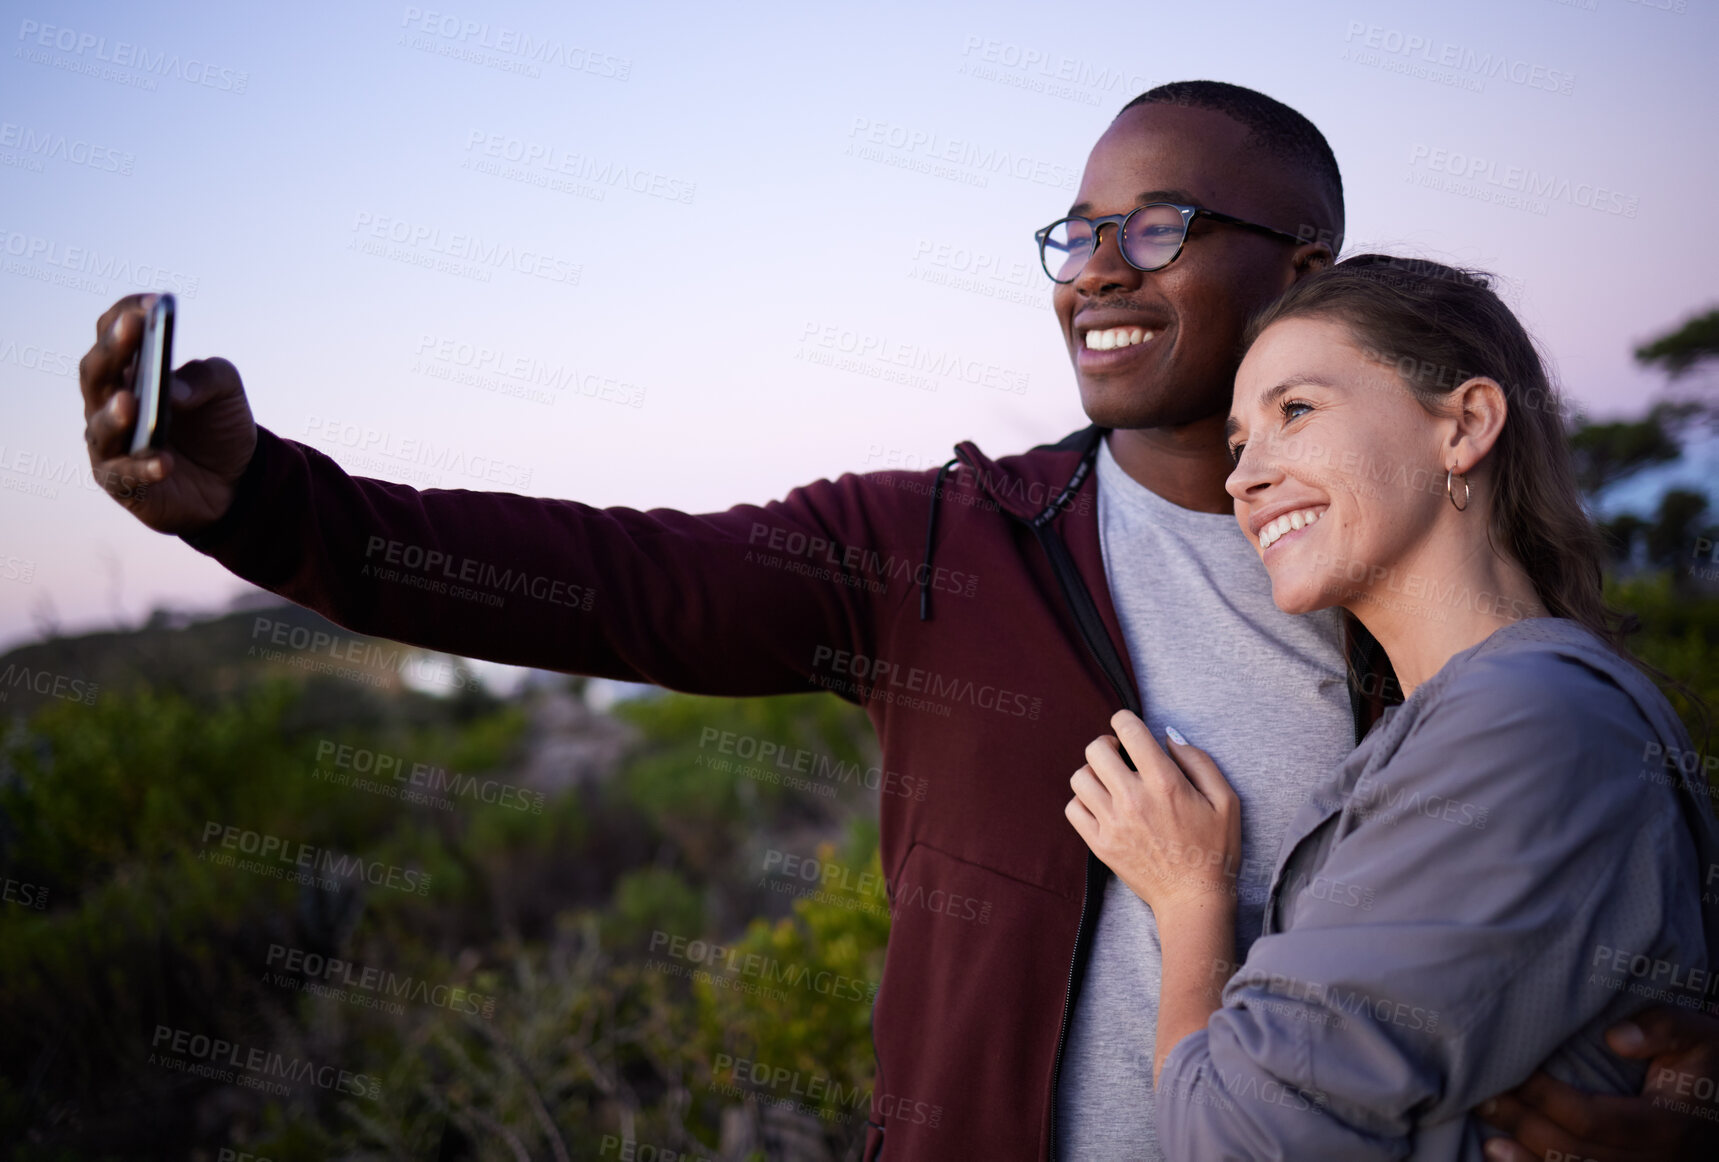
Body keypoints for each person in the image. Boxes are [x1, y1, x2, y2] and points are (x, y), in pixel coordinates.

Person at [75, 81, 1719, 1160]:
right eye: (1074, 234)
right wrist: (268, 502)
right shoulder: (935, 548)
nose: (1093, 270)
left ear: (1303, 265)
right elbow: (603, 576)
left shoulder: (1449, 612)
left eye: (1157, 226)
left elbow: (1608, 942)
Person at [1066, 254, 1719, 1159]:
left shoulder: (1524, 722)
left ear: (1465, 425)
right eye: (1236, 442)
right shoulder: (1457, 717)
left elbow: (1235, 1139)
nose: (1242, 477)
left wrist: (1188, 898)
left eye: (1294, 411)